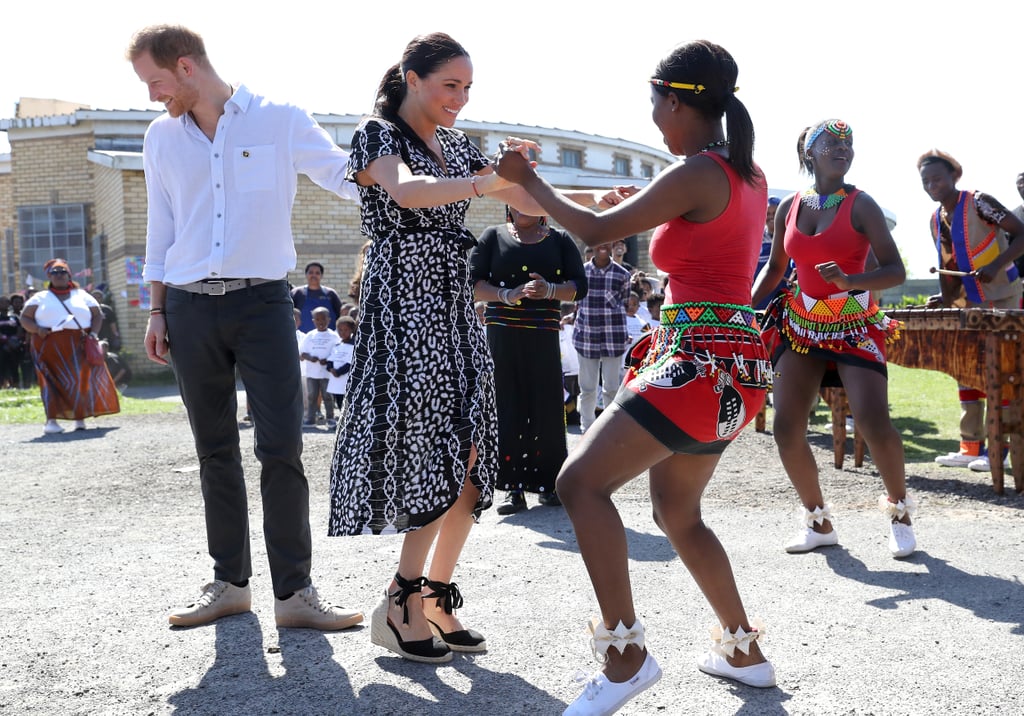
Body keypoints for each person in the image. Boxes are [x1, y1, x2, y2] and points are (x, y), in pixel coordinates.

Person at [497, 38, 777, 714]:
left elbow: (594, 230)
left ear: (679, 101)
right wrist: (634, 203)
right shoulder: (745, 172)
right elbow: (661, 225)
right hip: (733, 370)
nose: (652, 116)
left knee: (579, 483)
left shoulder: (696, 173)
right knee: (679, 514)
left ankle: (625, 661)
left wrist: (527, 182)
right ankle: (744, 652)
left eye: (656, 102)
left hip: (695, 365)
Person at [327, 32, 619, 664]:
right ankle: (400, 600)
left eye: (467, 87)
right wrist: (492, 180)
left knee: (469, 452)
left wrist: (598, 204)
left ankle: (433, 596)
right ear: (412, 77)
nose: (459, 98)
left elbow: (520, 197)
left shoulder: (458, 145)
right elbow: (407, 192)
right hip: (405, 299)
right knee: (431, 446)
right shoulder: (376, 135)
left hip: (455, 302)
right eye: (448, 85)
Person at [127, 23, 362, 630]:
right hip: (186, 306)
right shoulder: (161, 137)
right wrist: (156, 309)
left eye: (154, 81)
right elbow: (162, 225)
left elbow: (342, 175)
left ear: (185, 66)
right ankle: (230, 584)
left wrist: (420, 169)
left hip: (261, 304)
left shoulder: (278, 118)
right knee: (214, 452)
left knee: (281, 446)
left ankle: (295, 596)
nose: (152, 95)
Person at [753, 119, 913, 561]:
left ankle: (900, 515)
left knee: (873, 423)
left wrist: (849, 281)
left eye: (848, 144)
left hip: (853, 325)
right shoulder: (789, 206)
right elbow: (774, 269)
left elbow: (895, 270)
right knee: (786, 428)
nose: (842, 149)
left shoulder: (862, 205)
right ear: (810, 152)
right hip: (801, 325)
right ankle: (818, 521)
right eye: (832, 143)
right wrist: (743, 309)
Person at [470, 206, 588, 514]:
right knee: (507, 404)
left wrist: (549, 289)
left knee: (546, 404)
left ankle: (550, 485)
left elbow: (579, 287)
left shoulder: (560, 240)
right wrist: (507, 295)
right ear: (508, 204)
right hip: (502, 334)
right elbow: (472, 283)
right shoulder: (493, 237)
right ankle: (512, 488)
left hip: (543, 332)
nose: (525, 203)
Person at [918, 150, 1024, 472]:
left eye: (937, 178)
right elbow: (952, 266)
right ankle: (970, 446)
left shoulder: (980, 202)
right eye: (926, 181)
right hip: (970, 304)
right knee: (966, 370)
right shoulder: (936, 219)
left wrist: (995, 265)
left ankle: (1002, 448)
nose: (932, 185)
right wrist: (944, 297)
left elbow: (1022, 233)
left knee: (1002, 372)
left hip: (1003, 298)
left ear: (955, 176)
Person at [18, 258, 120, 434]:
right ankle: (51, 421)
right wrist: (37, 329)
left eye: (62, 271)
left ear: (69, 274)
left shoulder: (82, 296)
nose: (59, 275)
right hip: (47, 345)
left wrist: (94, 335)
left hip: (78, 345)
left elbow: (97, 316)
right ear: (49, 276)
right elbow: (24, 318)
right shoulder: (40, 297)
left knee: (78, 381)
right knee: (50, 382)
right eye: (54, 272)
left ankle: (79, 419)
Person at [573, 241, 632, 432]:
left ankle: (609, 430)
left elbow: (624, 304)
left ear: (612, 245)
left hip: (613, 337)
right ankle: (587, 429)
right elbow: (577, 303)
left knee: (612, 388)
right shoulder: (580, 273)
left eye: (607, 243)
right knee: (587, 389)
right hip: (586, 337)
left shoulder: (622, 274)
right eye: (599, 243)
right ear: (593, 245)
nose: (603, 247)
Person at [300, 306, 340, 428]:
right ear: (313, 321)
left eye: (323, 319)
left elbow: (338, 352)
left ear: (329, 320)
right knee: (312, 396)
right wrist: (310, 358)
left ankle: (330, 418)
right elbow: (302, 353)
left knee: (327, 396)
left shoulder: (333, 336)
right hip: (312, 373)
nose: (321, 322)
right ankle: (310, 419)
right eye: (317, 319)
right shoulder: (310, 336)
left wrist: (328, 360)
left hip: (326, 373)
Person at [753, 196, 792, 311]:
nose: (771, 217)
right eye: (767, 213)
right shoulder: (756, 239)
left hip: (783, 303)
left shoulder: (790, 240)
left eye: (775, 213)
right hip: (759, 302)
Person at [292, 261, 345, 332]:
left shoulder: (331, 294)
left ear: (321, 275)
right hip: (303, 340)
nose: (314, 275)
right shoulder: (297, 293)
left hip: (328, 339)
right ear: (306, 274)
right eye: (311, 272)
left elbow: (340, 316)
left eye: (317, 273)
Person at [326, 315, 356, 412]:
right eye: (340, 330)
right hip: (336, 382)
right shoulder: (337, 345)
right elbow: (330, 360)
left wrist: (339, 372)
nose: (342, 332)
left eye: (345, 330)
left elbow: (350, 363)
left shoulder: (354, 346)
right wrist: (331, 369)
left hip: (345, 380)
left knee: (346, 402)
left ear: (352, 330)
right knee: (338, 402)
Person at [0, 296, 22, 388]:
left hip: (14, 346)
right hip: (1, 346)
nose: (5, 304)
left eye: (6, 302)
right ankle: (2, 386)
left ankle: (15, 385)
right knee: (2, 368)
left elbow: (19, 329)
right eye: (2, 302)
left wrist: (14, 340)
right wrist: (5, 339)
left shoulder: (14, 317)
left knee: (14, 367)